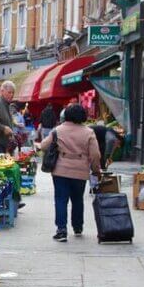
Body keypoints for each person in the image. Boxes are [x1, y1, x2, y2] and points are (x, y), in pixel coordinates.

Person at [37, 104, 102, 242]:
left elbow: (43, 146)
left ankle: (61, 230)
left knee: (61, 200)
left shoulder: (57, 130)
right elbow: (95, 155)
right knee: (78, 199)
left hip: (60, 171)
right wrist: (96, 170)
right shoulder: (89, 132)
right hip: (80, 172)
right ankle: (78, 227)